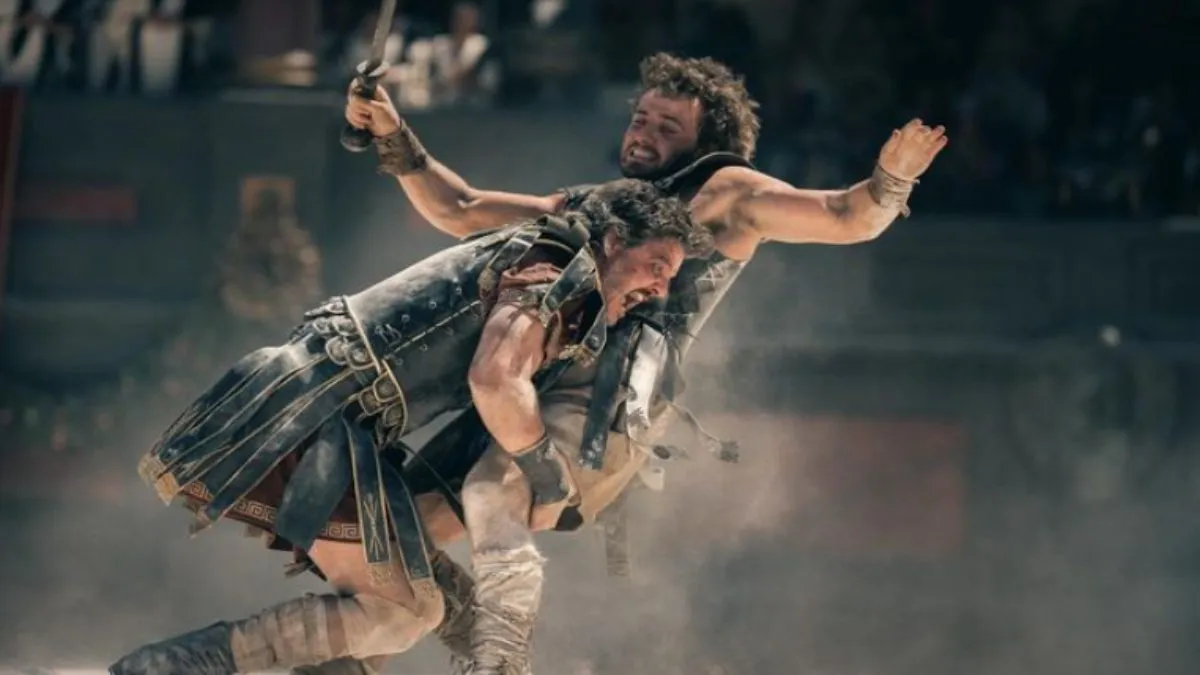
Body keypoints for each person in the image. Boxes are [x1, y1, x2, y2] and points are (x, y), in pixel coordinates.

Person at [327, 51, 949, 675]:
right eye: (641, 120)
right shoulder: (608, 206)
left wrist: (890, 181)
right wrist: (393, 133)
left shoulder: (728, 192)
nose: (645, 135)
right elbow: (461, 209)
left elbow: (845, 216)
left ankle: (500, 665)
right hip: (529, 382)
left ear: (706, 144)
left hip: (607, 400)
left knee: (496, 488)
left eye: (668, 127)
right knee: (395, 542)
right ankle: (374, 657)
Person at [106, 179, 711, 675]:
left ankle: (174, 666)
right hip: (313, 416)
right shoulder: (556, 268)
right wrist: (547, 473)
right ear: (612, 241)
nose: (659, 288)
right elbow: (496, 380)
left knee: (407, 610)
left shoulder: (554, 263)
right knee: (407, 610)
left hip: (330, 424)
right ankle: (176, 666)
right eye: (656, 266)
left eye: (668, 277)